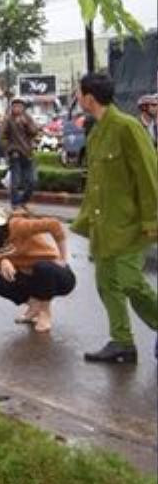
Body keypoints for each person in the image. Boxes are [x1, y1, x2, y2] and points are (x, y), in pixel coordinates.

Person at [71, 73, 158, 364]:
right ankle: (122, 342)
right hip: (104, 226)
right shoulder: (96, 131)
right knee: (106, 284)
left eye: (78, 93)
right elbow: (97, 183)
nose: (77, 97)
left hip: (129, 225)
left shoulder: (127, 127)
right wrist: (85, 222)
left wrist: (152, 221)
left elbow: (149, 176)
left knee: (132, 283)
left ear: (89, 98)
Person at [0, 200, 75, 332]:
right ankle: (34, 306)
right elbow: (5, 270)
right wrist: (4, 261)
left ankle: (45, 313)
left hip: (57, 277)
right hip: (33, 278)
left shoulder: (17, 226)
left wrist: (63, 257)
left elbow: (53, 225)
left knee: (42, 267)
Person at [0, 96, 39, 209]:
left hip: (28, 154)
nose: (17, 108)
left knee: (32, 181)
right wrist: (11, 150)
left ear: (24, 108)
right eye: (15, 106)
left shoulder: (28, 118)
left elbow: (35, 131)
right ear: (11, 107)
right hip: (15, 155)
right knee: (15, 182)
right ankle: (15, 204)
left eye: (20, 106)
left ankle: (23, 200)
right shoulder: (7, 119)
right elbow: (2, 138)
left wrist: (26, 124)